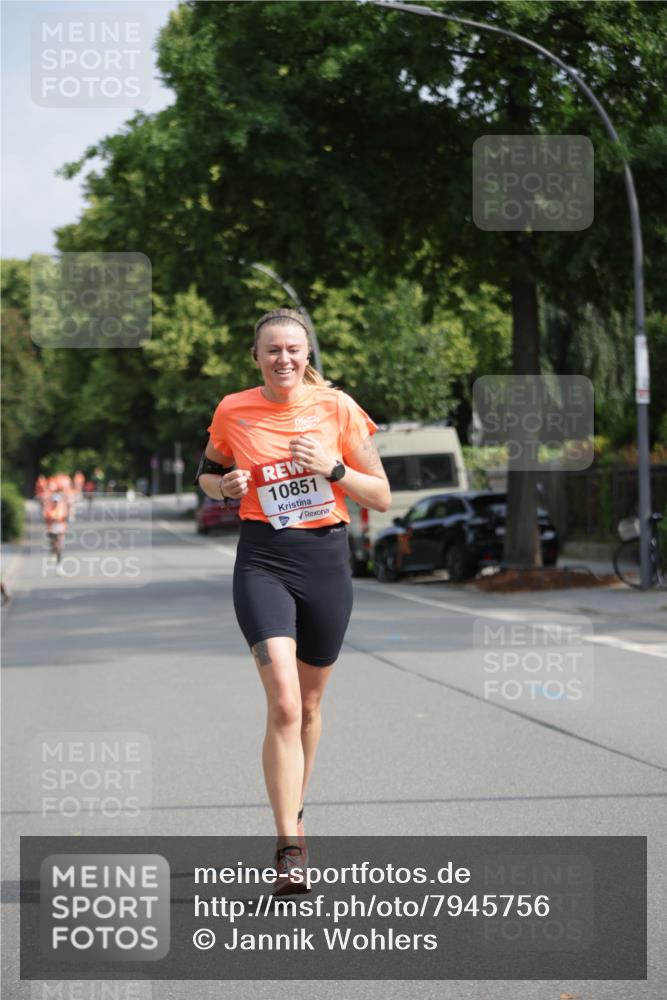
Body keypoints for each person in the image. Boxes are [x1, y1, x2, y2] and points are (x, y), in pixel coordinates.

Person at [196, 307, 391, 894]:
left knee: (308, 708)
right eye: (272, 350)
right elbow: (206, 473)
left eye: (294, 350)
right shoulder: (233, 409)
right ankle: (289, 845)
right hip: (263, 559)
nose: (284, 359)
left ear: (308, 356)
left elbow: (380, 495)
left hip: (326, 560)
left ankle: (294, 808)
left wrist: (332, 468)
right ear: (255, 356)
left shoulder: (338, 407)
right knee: (282, 702)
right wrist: (222, 485)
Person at [43, 491, 70, 569]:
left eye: (57, 501)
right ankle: (52, 553)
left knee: (59, 546)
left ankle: (59, 563)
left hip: (60, 528)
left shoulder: (62, 508)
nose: (55, 503)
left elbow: (64, 517)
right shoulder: (48, 508)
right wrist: (53, 519)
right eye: (54, 501)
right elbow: (47, 517)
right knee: (53, 544)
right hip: (51, 529)